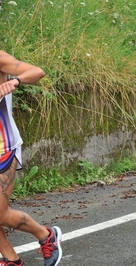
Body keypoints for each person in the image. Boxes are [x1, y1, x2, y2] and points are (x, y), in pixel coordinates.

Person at [0, 51, 62, 266]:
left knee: (0, 213)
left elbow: (37, 72)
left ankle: (46, 235)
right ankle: (11, 260)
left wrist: (14, 81)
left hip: (3, 148)